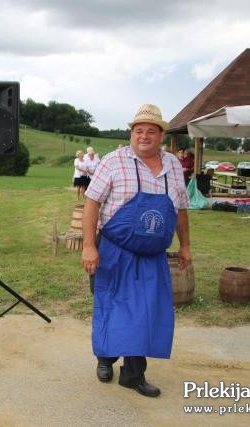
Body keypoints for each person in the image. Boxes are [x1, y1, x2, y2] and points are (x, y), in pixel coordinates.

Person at [81, 104, 191, 398]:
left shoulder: (173, 166)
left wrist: (186, 246)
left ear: (161, 135)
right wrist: (90, 246)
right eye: (138, 130)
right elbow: (91, 203)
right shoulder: (113, 161)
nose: (144, 136)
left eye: (150, 131)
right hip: (115, 250)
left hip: (152, 255)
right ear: (131, 134)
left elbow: (180, 210)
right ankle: (106, 359)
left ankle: (133, 375)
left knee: (146, 311)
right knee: (112, 304)